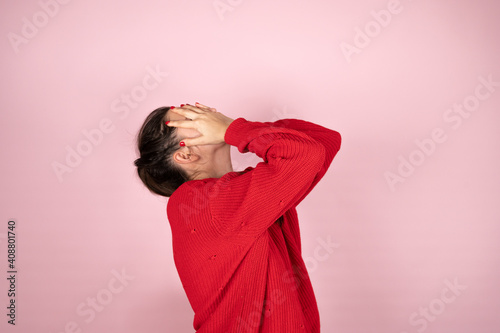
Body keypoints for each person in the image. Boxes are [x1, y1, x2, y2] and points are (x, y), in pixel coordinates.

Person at [134, 102, 342, 332]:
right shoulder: (195, 201)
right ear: (185, 154)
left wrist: (231, 127)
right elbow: (305, 153)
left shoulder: (246, 192)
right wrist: (231, 129)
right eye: (192, 118)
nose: (207, 113)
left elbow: (325, 140)